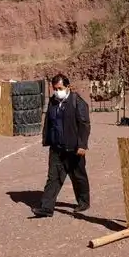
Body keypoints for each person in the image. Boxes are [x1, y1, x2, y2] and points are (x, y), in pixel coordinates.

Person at [33, 74, 90, 217]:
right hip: (57, 148)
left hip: (74, 148)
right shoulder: (53, 101)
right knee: (53, 178)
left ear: (68, 87)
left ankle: (83, 202)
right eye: (55, 89)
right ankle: (46, 208)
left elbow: (84, 125)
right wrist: (47, 140)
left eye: (60, 88)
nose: (57, 91)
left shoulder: (77, 102)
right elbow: (49, 122)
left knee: (78, 176)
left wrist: (82, 145)